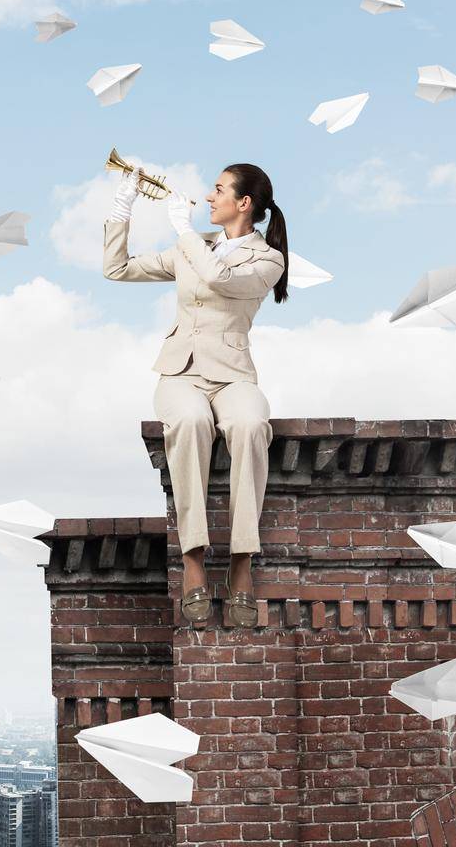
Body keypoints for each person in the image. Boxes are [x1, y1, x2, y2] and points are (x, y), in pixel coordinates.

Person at [101, 164, 290, 626]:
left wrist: (184, 230)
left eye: (219, 190)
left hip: (232, 374)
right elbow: (116, 269)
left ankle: (242, 560)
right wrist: (123, 204)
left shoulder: (268, 260)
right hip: (181, 372)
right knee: (190, 423)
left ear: (244, 204)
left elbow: (220, 279)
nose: (209, 197)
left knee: (248, 426)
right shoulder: (194, 247)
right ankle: (193, 558)